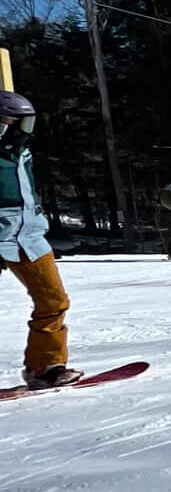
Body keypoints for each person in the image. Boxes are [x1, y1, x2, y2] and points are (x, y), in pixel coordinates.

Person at [0, 87, 79, 387]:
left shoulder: (23, 155)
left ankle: (45, 367)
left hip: (28, 238)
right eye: (13, 124)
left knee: (53, 301)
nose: (21, 133)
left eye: (26, 124)